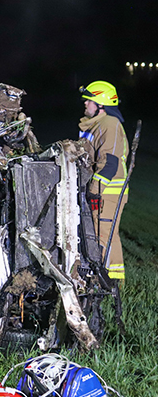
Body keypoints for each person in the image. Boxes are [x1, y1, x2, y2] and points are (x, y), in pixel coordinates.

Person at [78, 80, 130, 282]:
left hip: (108, 191)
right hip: (101, 190)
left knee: (104, 234)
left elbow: (109, 163)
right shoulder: (96, 125)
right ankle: (98, 275)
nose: (85, 103)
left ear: (101, 104)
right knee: (96, 233)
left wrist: (95, 189)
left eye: (89, 100)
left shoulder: (109, 124)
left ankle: (112, 280)